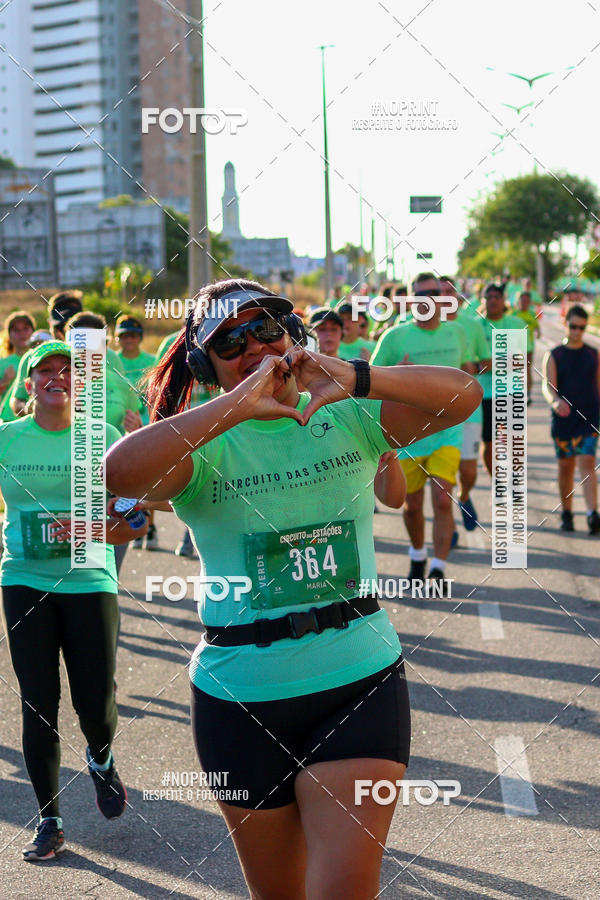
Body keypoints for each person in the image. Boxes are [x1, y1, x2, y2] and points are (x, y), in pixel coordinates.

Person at [105, 279, 481, 898]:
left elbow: (463, 396)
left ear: (293, 334)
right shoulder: (203, 442)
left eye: (267, 328)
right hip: (240, 695)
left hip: (359, 678)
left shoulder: (350, 413)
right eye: (229, 340)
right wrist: (234, 406)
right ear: (204, 363)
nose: (253, 345)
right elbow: (118, 470)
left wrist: (356, 376)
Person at [0, 341, 137, 861]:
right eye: (45, 371)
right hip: (24, 580)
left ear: (81, 385)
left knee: (95, 700)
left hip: (89, 581)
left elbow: (133, 510)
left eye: (68, 370)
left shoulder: (103, 437)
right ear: (29, 382)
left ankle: (100, 757)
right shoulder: (8, 440)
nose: (57, 377)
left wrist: (93, 527)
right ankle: (49, 819)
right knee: (38, 703)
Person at [371, 273, 474, 590]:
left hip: (448, 432)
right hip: (408, 437)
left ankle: (439, 568)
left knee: (443, 500)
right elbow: (369, 380)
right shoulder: (394, 337)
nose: (426, 299)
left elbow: (468, 373)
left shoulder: (456, 333)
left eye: (432, 292)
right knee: (412, 506)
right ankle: (417, 554)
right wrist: (396, 375)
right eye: (419, 294)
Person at [309, 308, 406, 509]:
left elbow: (395, 500)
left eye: (333, 329)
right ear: (310, 334)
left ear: (341, 334)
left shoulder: (356, 378)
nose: (327, 335)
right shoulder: (294, 381)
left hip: (351, 482)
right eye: (321, 329)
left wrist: (388, 453)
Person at [542, 305, 600, 534]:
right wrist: (555, 402)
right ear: (566, 323)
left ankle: (592, 514)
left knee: (587, 461)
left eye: (582, 328)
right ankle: (567, 512)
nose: (577, 331)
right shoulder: (555, 354)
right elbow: (548, 387)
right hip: (564, 419)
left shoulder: (593, 354)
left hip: (589, 418)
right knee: (566, 467)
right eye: (574, 326)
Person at [441, 276, 491, 533]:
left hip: (469, 408)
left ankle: (464, 496)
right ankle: (448, 527)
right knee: (443, 475)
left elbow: (487, 360)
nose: (446, 296)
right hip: (435, 412)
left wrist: (473, 368)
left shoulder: (472, 325)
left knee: (468, 472)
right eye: (441, 292)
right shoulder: (418, 326)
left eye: (450, 291)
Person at [115, 315, 159, 549]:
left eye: (132, 335)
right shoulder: (113, 361)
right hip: (121, 429)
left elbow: (157, 397)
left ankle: (149, 526)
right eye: (123, 336)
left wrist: (151, 423)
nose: (128, 340)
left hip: (147, 427)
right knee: (128, 481)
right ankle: (135, 522)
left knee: (148, 480)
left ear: (140, 337)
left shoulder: (151, 360)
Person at [7, 290, 83, 420]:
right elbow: (16, 400)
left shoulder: (102, 357)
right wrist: (29, 408)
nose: (64, 333)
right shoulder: (33, 357)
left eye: (71, 327)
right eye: (60, 327)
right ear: (50, 324)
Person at [478, 283, 528, 476]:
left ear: (502, 300)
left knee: (514, 441)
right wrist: (500, 362)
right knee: (489, 444)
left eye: (496, 297)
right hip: (485, 393)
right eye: (488, 297)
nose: (492, 301)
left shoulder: (514, 324)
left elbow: (519, 361)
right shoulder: (476, 325)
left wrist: (489, 363)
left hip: (511, 391)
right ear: (483, 300)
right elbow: (473, 364)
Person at [0, 311, 36, 420]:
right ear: (9, 336)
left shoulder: (42, 360)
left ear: (33, 332)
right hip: (8, 421)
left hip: (34, 422)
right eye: (16, 330)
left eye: (25, 328)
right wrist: (4, 381)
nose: (22, 333)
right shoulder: (2, 363)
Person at [513, 291, 541, 402]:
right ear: (518, 301)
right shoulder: (513, 314)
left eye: (526, 301)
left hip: (528, 347)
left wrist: (539, 332)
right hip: (515, 348)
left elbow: (537, 327)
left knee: (527, 370)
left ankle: (528, 394)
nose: (524, 303)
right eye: (522, 300)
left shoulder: (532, 314)